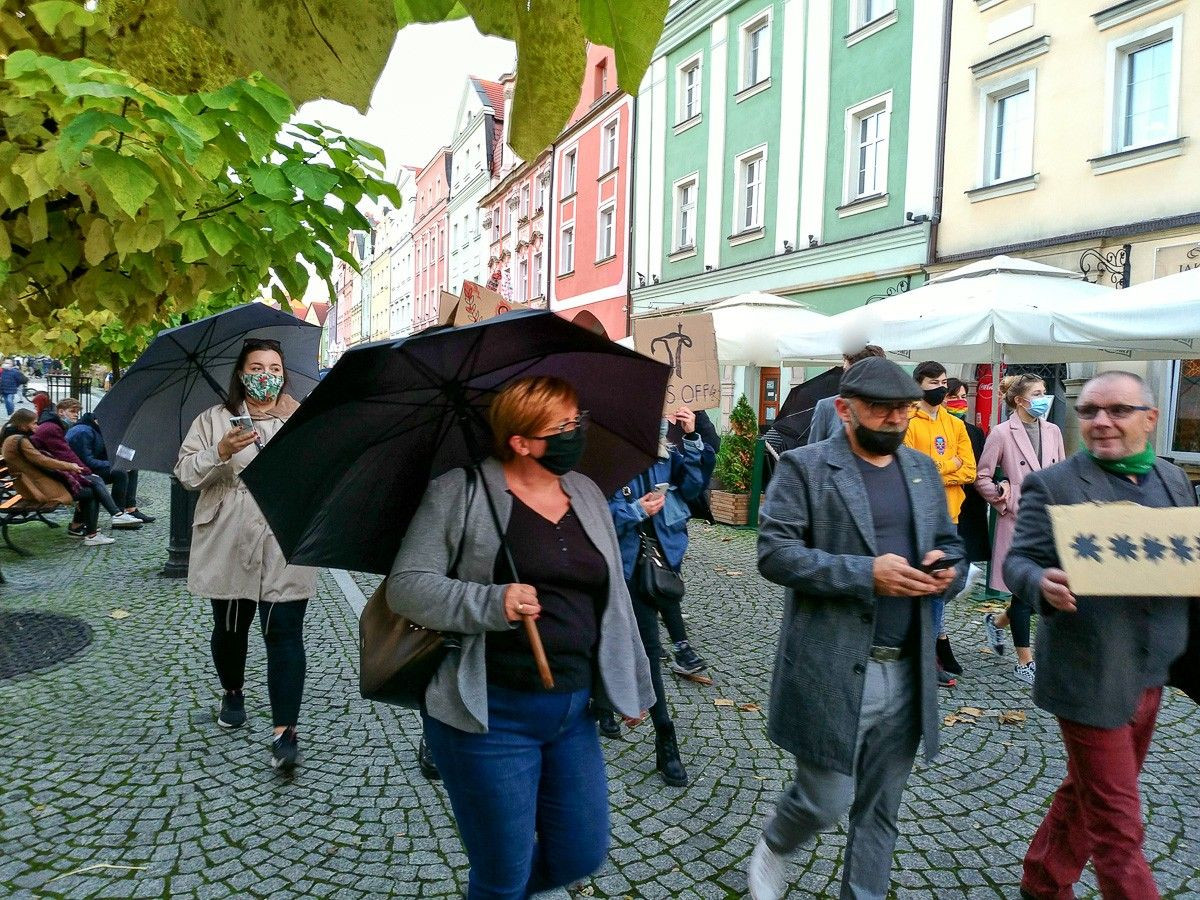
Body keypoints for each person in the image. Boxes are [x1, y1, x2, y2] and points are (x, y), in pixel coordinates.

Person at [388, 376, 654, 900]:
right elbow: (406, 588)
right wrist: (493, 602)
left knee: (582, 850)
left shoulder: (585, 491)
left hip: (572, 712)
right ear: (521, 441)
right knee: (503, 873)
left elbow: (615, 600)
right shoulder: (460, 492)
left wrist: (630, 682)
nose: (578, 433)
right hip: (489, 717)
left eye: (578, 420)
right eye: (564, 426)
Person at [747, 357, 966, 900]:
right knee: (825, 800)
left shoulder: (920, 469)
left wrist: (950, 571)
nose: (895, 419)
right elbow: (775, 555)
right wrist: (865, 573)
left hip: (909, 667)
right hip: (834, 665)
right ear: (844, 409)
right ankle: (777, 841)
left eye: (904, 409)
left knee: (882, 810)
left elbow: (952, 543)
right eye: (882, 409)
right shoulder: (805, 467)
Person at [1004, 371, 1195, 899]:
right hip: (1087, 670)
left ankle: (1042, 879)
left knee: (1088, 788)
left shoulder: (1172, 479)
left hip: (1152, 665)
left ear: (1150, 420)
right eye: (1089, 412)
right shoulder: (1055, 483)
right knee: (1119, 824)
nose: (1100, 422)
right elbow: (1018, 562)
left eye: (1117, 410)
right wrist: (1040, 581)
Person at [175, 338, 317, 772]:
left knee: (285, 631)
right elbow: (184, 474)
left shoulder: (300, 416)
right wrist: (220, 452)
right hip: (228, 533)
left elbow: (324, 469)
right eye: (256, 367)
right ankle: (232, 691)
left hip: (283, 536)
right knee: (232, 626)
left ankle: (285, 732)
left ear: (283, 374)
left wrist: (302, 439)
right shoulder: (214, 420)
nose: (265, 375)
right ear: (241, 373)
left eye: (274, 367)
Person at [607, 406, 707, 787]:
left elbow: (695, 489)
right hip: (622, 566)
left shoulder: (667, 455)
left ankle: (666, 739)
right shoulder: (610, 459)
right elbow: (597, 515)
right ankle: (609, 707)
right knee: (614, 638)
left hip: (659, 563)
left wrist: (693, 438)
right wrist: (634, 510)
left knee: (649, 650)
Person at [975, 374, 1065, 685]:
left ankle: (997, 622)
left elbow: (1061, 471)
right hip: (1018, 521)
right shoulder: (1001, 433)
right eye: (1038, 393)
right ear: (1020, 400)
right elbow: (982, 477)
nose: (1044, 398)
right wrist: (1005, 497)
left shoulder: (1053, 431)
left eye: (1044, 392)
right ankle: (1025, 661)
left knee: (1036, 591)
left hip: (1049, 520)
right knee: (1025, 591)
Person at [903, 360, 976, 684]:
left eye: (944, 382)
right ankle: (919, 653)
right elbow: (909, 468)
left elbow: (970, 471)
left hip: (950, 517)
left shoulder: (955, 424)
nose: (941, 388)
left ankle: (931, 651)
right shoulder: (908, 421)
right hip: (917, 517)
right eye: (934, 383)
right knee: (918, 584)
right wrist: (949, 466)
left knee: (940, 586)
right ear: (919, 385)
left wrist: (935, 469)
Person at [32, 398, 139, 543]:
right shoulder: (71, 430)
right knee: (94, 485)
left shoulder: (63, 427)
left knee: (117, 473)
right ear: (61, 412)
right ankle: (112, 518)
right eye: (72, 411)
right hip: (57, 475)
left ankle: (91, 525)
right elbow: (68, 455)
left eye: (77, 412)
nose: (76, 415)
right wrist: (88, 471)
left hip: (64, 471)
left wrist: (118, 460)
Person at [66, 412, 154, 524]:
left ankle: (130, 509)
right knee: (120, 472)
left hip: (90, 468)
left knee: (130, 467)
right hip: (82, 470)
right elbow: (87, 461)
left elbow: (107, 452)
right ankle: (118, 514)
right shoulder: (84, 431)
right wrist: (114, 464)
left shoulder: (96, 430)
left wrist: (124, 459)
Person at [806, 345, 886, 445]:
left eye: (848, 371)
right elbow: (812, 454)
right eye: (844, 371)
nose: (844, 377)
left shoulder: (891, 409)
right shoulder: (827, 407)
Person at [1, 409, 78, 511]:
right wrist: (70, 466)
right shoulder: (18, 440)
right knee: (90, 492)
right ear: (23, 425)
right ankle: (78, 525)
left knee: (92, 486)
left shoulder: (12, 437)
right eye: (34, 423)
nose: (37, 426)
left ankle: (79, 525)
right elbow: (42, 460)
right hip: (36, 486)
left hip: (30, 482)